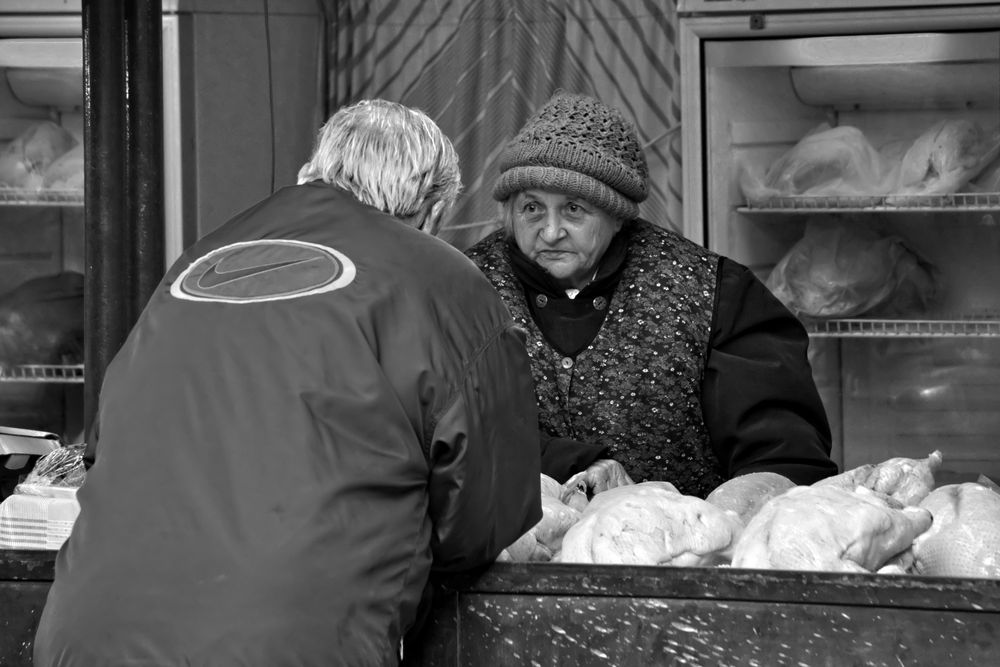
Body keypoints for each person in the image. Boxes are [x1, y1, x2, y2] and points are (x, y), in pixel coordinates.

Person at [33, 99, 542, 667]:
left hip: (87, 635)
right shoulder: (444, 281)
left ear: (314, 173)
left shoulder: (201, 259)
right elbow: (482, 517)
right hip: (293, 645)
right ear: (430, 211)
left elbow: (105, 446)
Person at [465, 91, 839, 498]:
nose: (551, 231)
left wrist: (737, 515)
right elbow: (440, 429)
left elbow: (784, 450)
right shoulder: (463, 287)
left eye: (574, 209)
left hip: (682, 552)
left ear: (617, 216)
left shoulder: (711, 292)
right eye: (532, 208)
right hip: (508, 554)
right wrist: (567, 462)